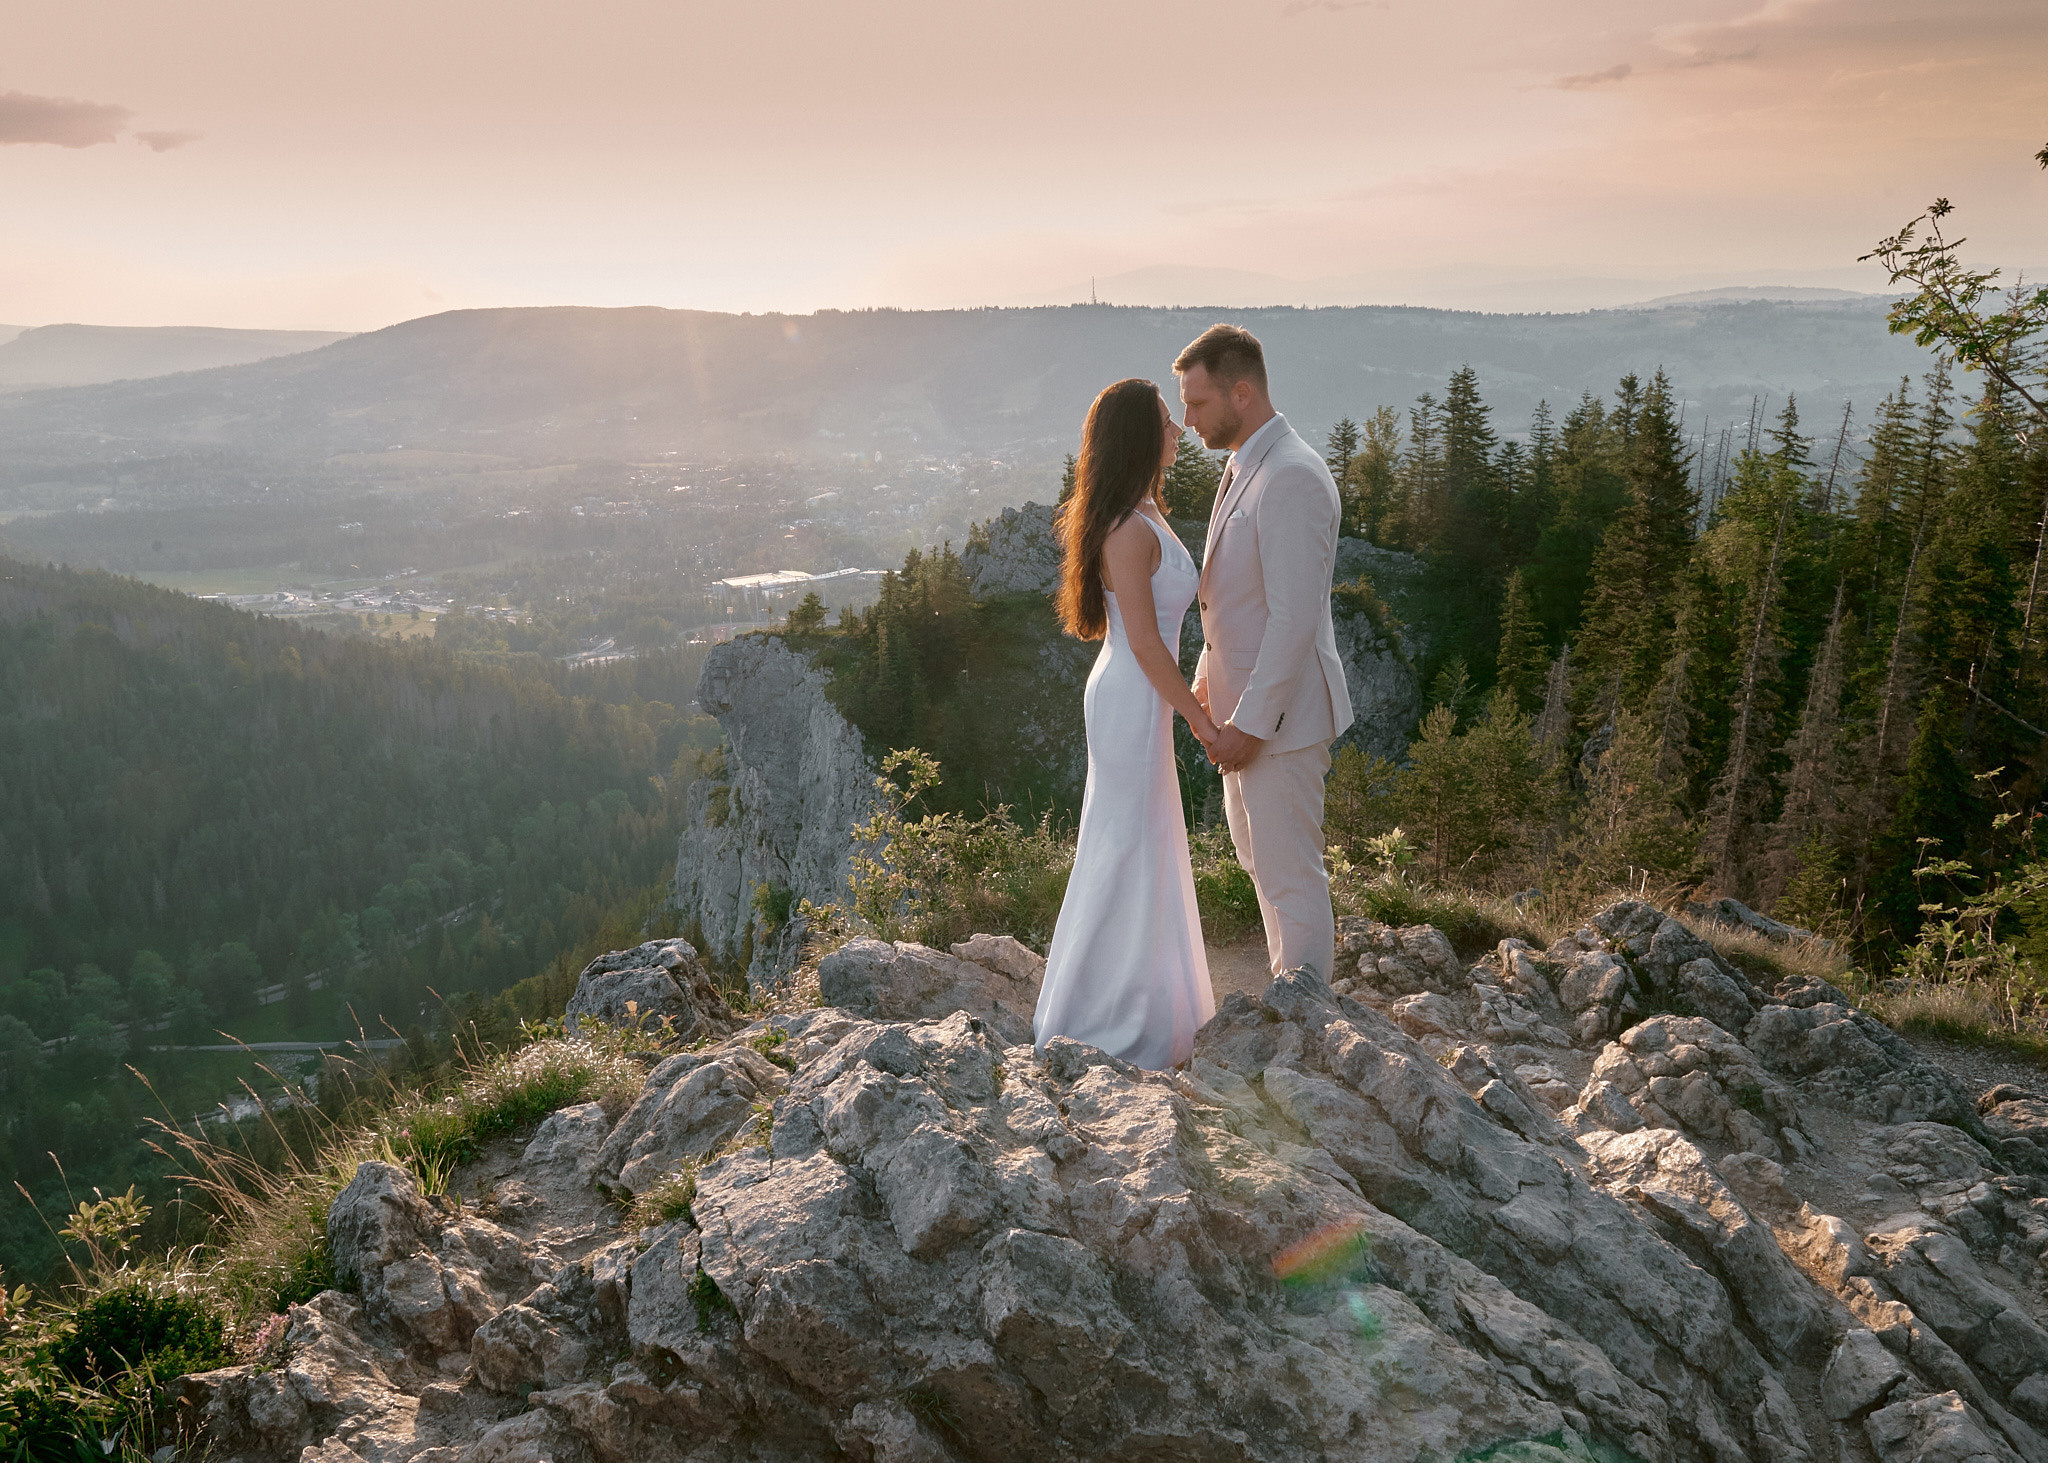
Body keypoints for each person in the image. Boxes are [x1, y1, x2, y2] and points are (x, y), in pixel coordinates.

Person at [1031, 378, 1218, 1070]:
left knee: (1140, 837)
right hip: (1132, 695)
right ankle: (1105, 1015)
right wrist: (1199, 716)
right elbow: (1144, 643)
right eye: (1167, 424)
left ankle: (1144, 1002)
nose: (1178, 433)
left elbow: (1159, 638)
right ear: (1142, 436)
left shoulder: (1142, 513)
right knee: (1125, 841)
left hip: (1140, 691)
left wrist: (1194, 687)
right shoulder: (1128, 528)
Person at [1178, 324, 1352, 982]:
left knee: (1292, 879)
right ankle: (1290, 1006)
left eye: (1197, 403)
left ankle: (1308, 1029)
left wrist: (1250, 722)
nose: (1187, 419)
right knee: (1262, 867)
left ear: (1241, 393)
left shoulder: (1292, 476)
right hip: (1242, 711)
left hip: (1280, 720)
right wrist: (1205, 674)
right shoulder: (1246, 466)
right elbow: (1238, 600)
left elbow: (1293, 618)